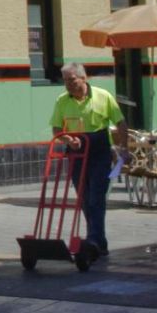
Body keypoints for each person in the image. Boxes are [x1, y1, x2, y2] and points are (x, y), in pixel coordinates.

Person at [48, 62, 123, 258]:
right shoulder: (62, 101)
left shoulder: (103, 96)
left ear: (84, 78)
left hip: (99, 150)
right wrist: (68, 139)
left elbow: (120, 122)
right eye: (65, 81)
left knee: (96, 197)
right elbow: (56, 128)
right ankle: (98, 241)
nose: (69, 84)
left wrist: (125, 148)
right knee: (84, 198)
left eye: (72, 80)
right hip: (77, 152)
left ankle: (93, 240)